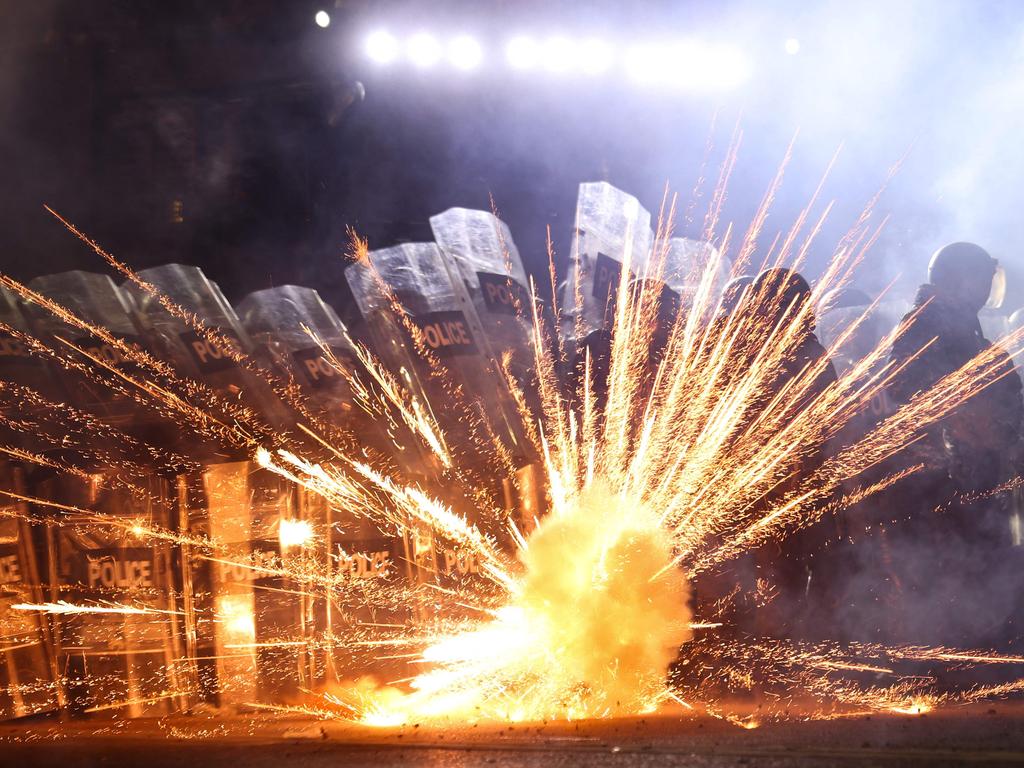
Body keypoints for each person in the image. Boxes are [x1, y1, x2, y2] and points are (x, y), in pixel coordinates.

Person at [883, 241, 1023, 647]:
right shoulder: (928, 323)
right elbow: (917, 393)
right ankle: (947, 660)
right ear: (960, 279)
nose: (986, 288)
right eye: (980, 277)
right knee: (950, 570)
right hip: (946, 478)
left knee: (979, 568)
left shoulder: (960, 326)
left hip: (971, 474)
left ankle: (970, 655)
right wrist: (965, 437)